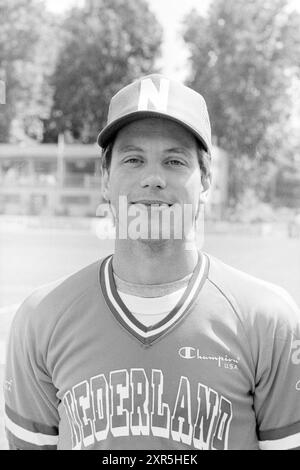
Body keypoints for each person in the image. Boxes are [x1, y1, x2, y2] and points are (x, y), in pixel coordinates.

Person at [4, 74, 300, 451]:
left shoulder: (268, 321)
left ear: (206, 179)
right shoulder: (40, 319)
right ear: (106, 177)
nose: (154, 178)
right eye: (133, 159)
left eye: (175, 160)